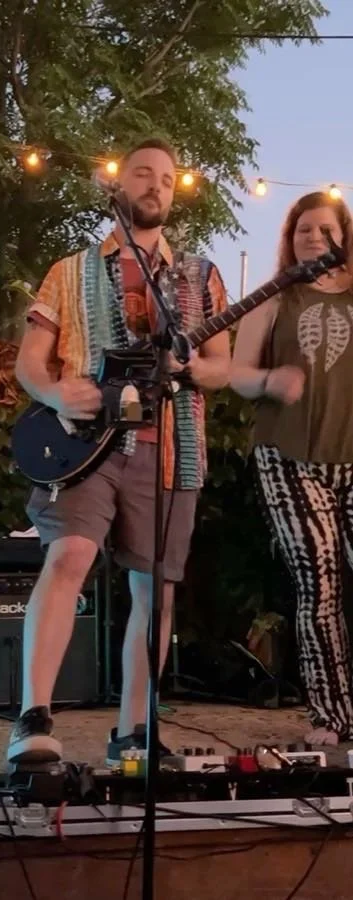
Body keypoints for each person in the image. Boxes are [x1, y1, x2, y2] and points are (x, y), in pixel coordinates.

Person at [9, 137, 231, 766]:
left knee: (155, 590)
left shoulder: (198, 276)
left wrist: (191, 366)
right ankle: (33, 718)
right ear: (120, 184)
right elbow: (29, 361)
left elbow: (220, 366)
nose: (155, 185)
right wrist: (55, 393)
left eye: (166, 177)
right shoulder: (68, 271)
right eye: (143, 173)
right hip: (85, 447)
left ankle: (133, 730)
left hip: (172, 448)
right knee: (69, 557)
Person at [231, 190, 353, 746]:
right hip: (288, 457)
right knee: (319, 580)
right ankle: (331, 716)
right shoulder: (273, 297)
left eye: (324, 228)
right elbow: (234, 372)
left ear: (344, 236)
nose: (313, 236)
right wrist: (268, 382)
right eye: (302, 228)